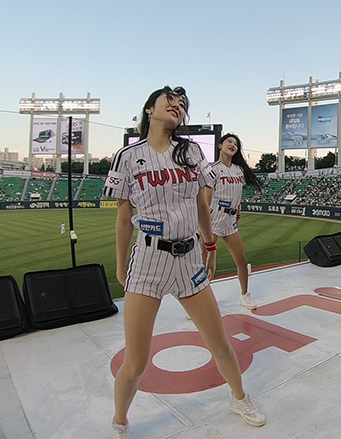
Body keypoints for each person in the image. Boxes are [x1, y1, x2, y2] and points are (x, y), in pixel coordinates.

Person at [105, 87, 265, 438]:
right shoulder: (129, 156)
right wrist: (120, 266)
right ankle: (120, 420)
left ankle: (239, 397)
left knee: (219, 342)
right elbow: (122, 217)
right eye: (169, 102)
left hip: (189, 257)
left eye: (182, 106)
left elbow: (201, 205)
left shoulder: (191, 152)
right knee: (136, 362)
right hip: (147, 259)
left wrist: (210, 244)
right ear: (150, 109)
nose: (177, 107)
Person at [205, 133, 262, 309]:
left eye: (236, 144)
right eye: (229, 141)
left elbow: (238, 195)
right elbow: (206, 201)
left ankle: (245, 295)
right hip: (213, 218)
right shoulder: (212, 169)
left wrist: (238, 211)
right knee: (204, 265)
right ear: (220, 146)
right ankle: (201, 303)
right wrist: (204, 227)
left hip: (230, 221)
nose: (233, 145)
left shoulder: (238, 170)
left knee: (241, 260)